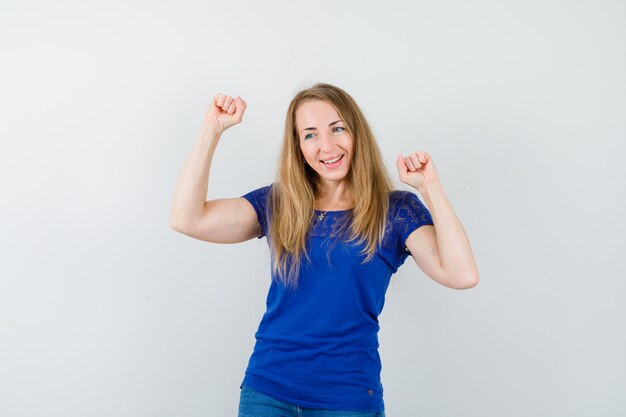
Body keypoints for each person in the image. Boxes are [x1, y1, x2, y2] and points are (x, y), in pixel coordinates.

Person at [169, 82, 480, 417]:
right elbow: (187, 218)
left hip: (347, 397)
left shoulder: (395, 210)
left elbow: (461, 274)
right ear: (299, 146)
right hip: (268, 392)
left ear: (356, 132)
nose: (327, 145)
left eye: (337, 128)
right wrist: (211, 130)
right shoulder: (280, 203)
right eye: (311, 134)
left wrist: (430, 188)